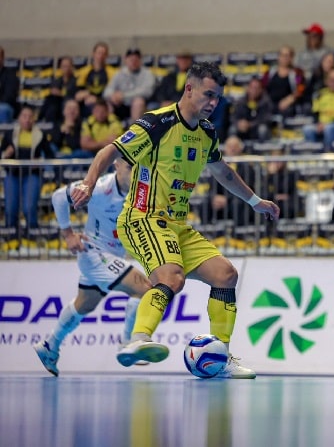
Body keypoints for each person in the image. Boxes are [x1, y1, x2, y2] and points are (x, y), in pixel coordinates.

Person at [70, 61, 280, 379]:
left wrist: (255, 201)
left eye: (218, 98)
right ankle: (136, 339)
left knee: (226, 275)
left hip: (178, 224)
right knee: (172, 277)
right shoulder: (158, 123)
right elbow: (108, 152)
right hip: (143, 218)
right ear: (189, 88)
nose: (213, 102)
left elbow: (223, 172)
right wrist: (88, 182)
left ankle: (220, 358)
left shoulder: (207, 133)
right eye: (208, 94)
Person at [33, 159, 153, 377]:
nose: (135, 173)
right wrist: (68, 234)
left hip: (112, 255)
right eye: (129, 168)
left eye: (139, 169)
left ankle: (50, 346)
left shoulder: (143, 191)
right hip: (94, 253)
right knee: (145, 288)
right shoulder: (100, 188)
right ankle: (128, 343)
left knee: (84, 305)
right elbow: (59, 196)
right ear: (116, 165)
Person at [1, 105, 53, 236]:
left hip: (32, 175)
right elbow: (1, 154)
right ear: (19, 118)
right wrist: (5, 154)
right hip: (12, 174)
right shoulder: (10, 134)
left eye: (30, 116)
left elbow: (50, 156)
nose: (27, 119)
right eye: (24, 116)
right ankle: (10, 236)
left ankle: (32, 235)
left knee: (29, 207)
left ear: (34, 119)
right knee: (11, 208)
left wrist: (40, 161)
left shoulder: (40, 135)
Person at [103, 48, 156, 123]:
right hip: (121, 104)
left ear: (140, 60)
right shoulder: (120, 73)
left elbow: (147, 91)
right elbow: (107, 91)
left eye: (136, 60)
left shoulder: (147, 73)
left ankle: (135, 132)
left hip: (140, 106)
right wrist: (113, 96)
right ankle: (111, 131)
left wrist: (124, 96)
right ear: (126, 60)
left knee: (138, 102)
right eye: (131, 60)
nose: (133, 62)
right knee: (107, 104)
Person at [0, 46, 20, 123]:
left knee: (2, 109)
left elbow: (9, 96)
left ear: (2, 59)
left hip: (6, 106)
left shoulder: (11, 75)